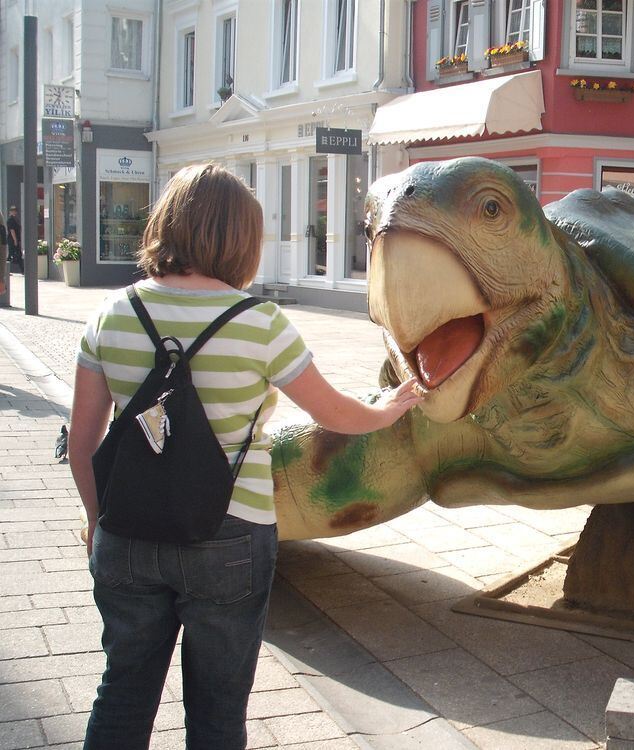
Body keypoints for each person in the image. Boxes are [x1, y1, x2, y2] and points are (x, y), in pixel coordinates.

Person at [67, 163, 423, 750]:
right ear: (241, 240)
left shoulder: (112, 313)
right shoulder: (260, 323)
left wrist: (95, 520)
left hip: (127, 532)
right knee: (217, 712)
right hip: (232, 536)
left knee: (123, 694)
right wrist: (389, 409)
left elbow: (84, 442)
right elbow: (333, 414)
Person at [6, 206, 21, 274]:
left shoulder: (15, 219)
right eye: (13, 211)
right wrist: (15, 240)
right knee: (12, 254)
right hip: (12, 240)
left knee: (13, 254)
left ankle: (6, 270)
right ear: (10, 212)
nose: (15, 212)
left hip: (15, 239)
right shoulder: (10, 220)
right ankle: (22, 270)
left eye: (15, 210)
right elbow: (12, 231)